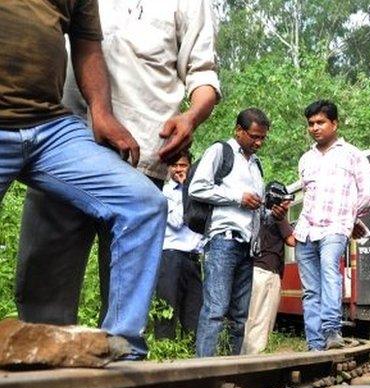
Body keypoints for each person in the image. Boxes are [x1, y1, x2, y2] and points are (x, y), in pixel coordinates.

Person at [15, 0, 220, 327]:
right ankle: (44, 366)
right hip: (62, 145)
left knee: (125, 297)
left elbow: (203, 74)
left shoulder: (190, 4)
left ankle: (120, 360)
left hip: (137, 157)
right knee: (43, 290)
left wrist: (191, 118)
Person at [0, 1, 166, 358]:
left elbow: (87, 44)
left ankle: (121, 347)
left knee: (143, 204)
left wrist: (101, 112)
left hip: (50, 126)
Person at [293, 100, 370, 351]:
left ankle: (331, 331)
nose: (315, 128)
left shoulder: (353, 155)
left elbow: (369, 194)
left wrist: (348, 218)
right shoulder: (306, 159)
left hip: (335, 227)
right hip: (305, 230)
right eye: (311, 124)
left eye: (320, 122)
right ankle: (315, 344)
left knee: (330, 272)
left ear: (334, 124)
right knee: (310, 290)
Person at [190, 108, 273, 357]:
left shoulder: (256, 165)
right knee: (215, 310)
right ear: (238, 130)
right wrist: (238, 198)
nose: (258, 142)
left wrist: (272, 213)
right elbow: (198, 188)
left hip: (248, 245)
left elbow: (255, 210)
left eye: (262, 138)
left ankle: (232, 366)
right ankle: (203, 370)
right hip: (222, 241)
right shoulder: (220, 151)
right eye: (254, 136)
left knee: (239, 316)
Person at [242, 183, 297, 355]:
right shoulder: (277, 217)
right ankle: (254, 358)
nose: (287, 205)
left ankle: (244, 356)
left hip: (254, 270)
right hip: (267, 274)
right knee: (262, 319)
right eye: (284, 201)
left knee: (250, 317)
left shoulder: (258, 214)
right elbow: (292, 241)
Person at [155, 150, 203, 339]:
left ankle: (192, 358)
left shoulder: (197, 190)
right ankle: (164, 353)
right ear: (168, 168)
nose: (178, 169)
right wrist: (185, 190)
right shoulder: (164, 193)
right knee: (167, 309)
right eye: (174, 165)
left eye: (182, 165)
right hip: (171, 256)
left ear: (189, 167)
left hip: (193, 258)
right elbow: (176, 221)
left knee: (194, 313)